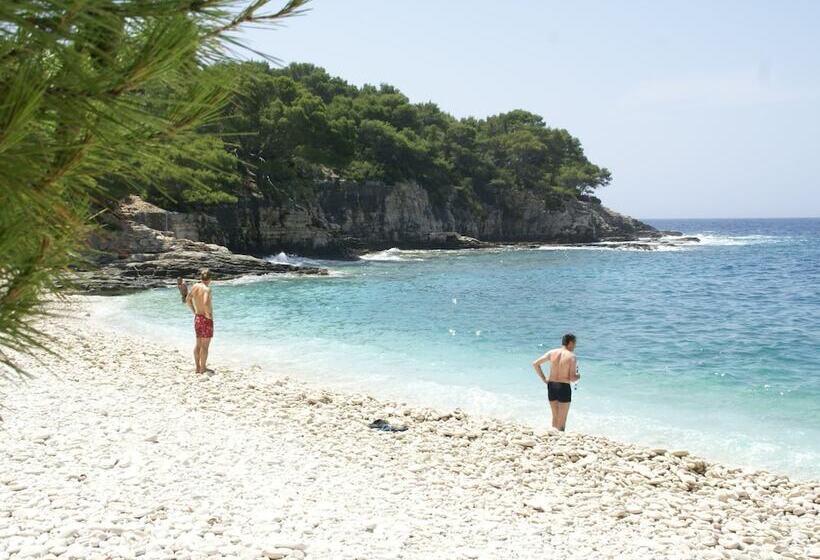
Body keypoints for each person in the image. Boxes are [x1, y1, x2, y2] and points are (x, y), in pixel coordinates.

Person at [532, 334, 580, 431]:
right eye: (575, 343)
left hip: (551, 385)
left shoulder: (552, 352)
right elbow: (572, 378)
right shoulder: (571, 356)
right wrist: (578, 376)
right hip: (563, 386)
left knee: (555, 416)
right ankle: (560, 436)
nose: (575, 346)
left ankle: (553, 435)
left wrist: (544, 379)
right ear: (570, 343)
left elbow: (535, 364)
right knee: (562, 420)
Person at [186, 269, 214, 374]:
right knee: (205, 346)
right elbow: (206, 302)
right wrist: (208, 315)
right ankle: (203, 368)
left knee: (198, 344)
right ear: (210, 279)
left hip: (197, 318)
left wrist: (194, 311)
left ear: (201, 278)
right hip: (205, 319)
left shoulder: (195, 286)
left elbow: (188, 300)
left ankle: (197, 367)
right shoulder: (207, 289)